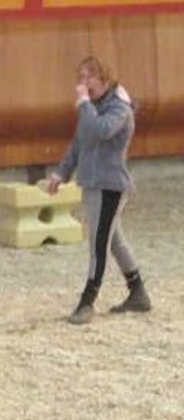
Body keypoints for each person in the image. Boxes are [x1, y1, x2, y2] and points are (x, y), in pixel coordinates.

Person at [47, 55, 151, 325]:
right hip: (94, 184)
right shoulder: (92, 108)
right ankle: (138, 291)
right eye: (79, 78)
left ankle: (87, 301)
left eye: (88, 77)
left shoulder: (119, 109)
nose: (82, 84)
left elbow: (100, 131)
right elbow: (79, 143)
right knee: (113, 241)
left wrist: (83, 104)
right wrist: (61, 172)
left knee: (98, 244)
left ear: (104, 79)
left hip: (110, 186)